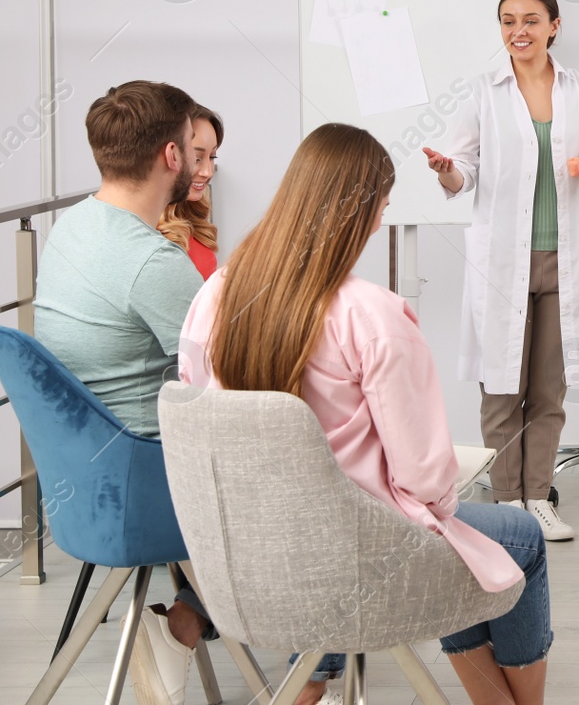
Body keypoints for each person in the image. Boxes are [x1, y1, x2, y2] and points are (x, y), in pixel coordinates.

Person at [181, 124, 551, 705]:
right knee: (518, 536)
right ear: (358, 214)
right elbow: (425, 480)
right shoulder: (371, 315)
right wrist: (432, 511)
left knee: (451, 537)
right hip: (359, 563)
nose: (381, 220)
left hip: (251, 554)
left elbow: (203, 411)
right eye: (381, 206)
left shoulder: (215, 296)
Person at [425, 0, 579, 542]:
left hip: (563, 263)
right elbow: (463, 172)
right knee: (501, 386)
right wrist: (446, 171)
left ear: (554, 26)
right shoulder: (482, 92)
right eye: (506, 21)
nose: (517, 32)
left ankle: (539, 499)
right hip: (502, 263)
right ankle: (507, 504)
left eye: (529, 20)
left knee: (548, 391)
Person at [33, 81, 222, 705]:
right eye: (195, 153)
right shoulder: (151, 261)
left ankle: (185, 625)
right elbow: (230, 374)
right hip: (148, 484)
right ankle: (314, 668)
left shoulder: (72, 229)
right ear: (172, 156)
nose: (200, 164)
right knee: (322, 468)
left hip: (87, 476)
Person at [158, 105, 223, 278]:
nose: (208, 172)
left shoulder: (189, 213)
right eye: (196, 158)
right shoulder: (149, 233)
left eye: (212, 157)